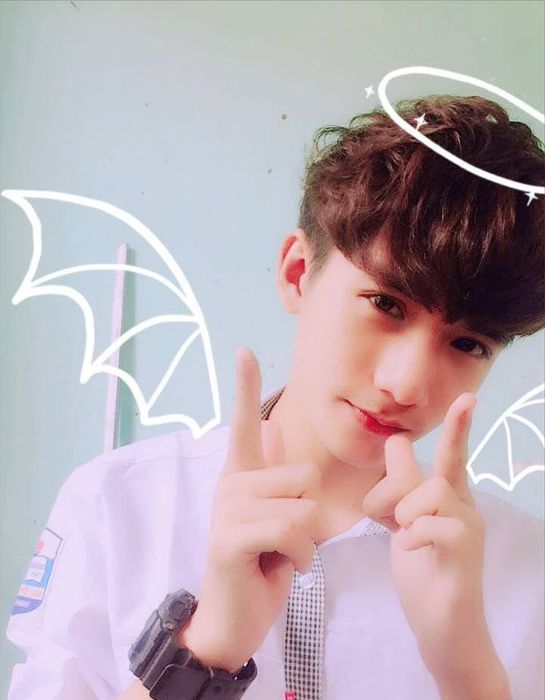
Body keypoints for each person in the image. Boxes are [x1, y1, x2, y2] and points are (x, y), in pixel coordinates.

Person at [5, 95, 544, 700]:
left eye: (468, 344)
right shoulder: (118, 504)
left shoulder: (522, 562)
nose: (407, 385)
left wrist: (466, 671)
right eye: (385, 304)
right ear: (297, 273)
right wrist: (205, 651)